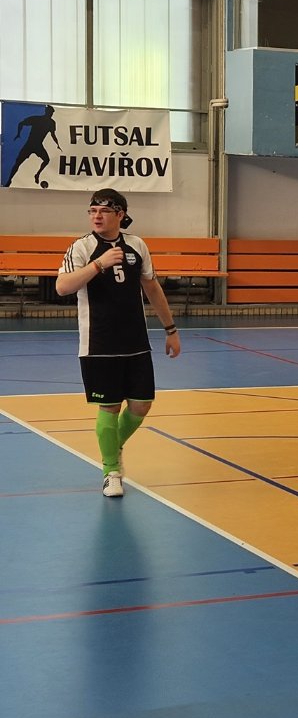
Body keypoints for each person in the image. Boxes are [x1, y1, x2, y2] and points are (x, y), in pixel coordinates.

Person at [53, 189, 182, 497]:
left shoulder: (137, 245)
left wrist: (171, 329)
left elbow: (152, 288)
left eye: (104, 211)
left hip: (136, 340)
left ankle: (113, 445)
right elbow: (62, 287)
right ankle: (111, 471)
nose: (96, 216)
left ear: (120, 215)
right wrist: (99, 264)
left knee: (141, 405)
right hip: (99, 342)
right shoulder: (82, 247)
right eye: (92, 211)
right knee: (109, 406)